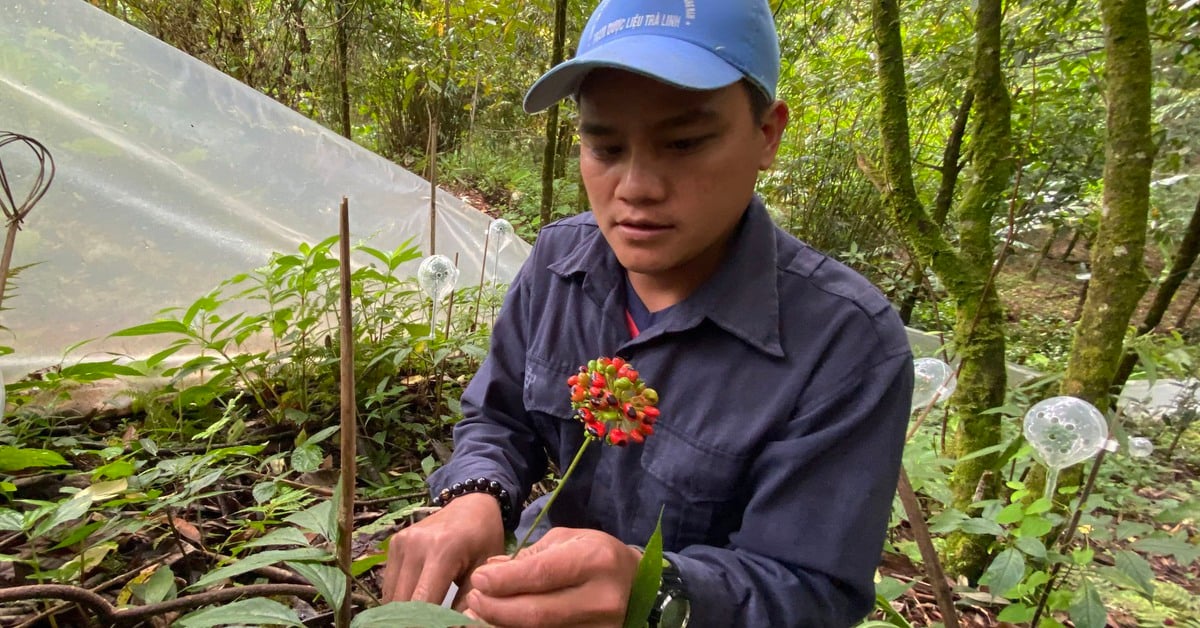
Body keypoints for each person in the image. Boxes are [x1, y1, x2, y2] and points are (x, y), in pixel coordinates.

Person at [382, 1, 913, 626]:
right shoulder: (560, 260)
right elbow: (498, 418)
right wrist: (477, 496)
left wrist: (657, 590)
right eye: (605, 146)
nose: (636, 187)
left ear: (767, 134)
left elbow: (812, 588)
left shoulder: (845, 342)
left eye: (684, 143)